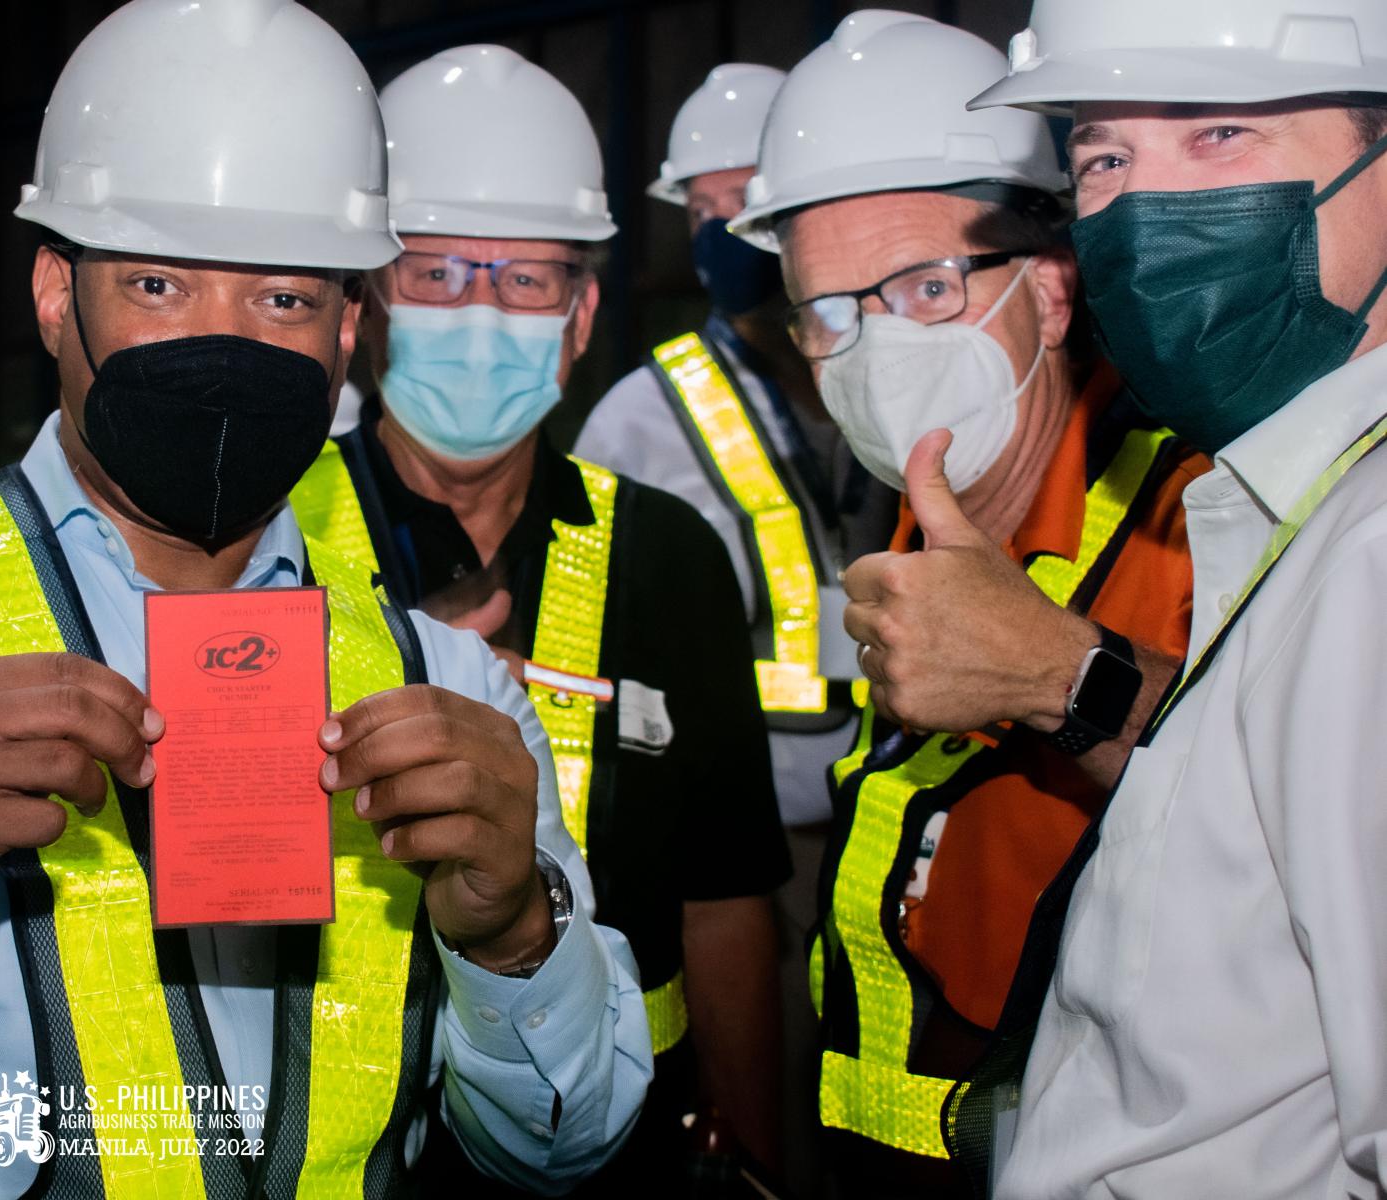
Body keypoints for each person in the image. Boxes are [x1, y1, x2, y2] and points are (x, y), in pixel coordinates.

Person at [0, 4, 649, 1197]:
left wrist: (515, 936)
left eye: (284, 300)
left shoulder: (444, 686)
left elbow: (562, 1149)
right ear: (52, 291)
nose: (222, 343)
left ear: (352, 328)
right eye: (157, 283)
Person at [288, 44, 791, 1193]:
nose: (482, 315)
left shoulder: (669, 558)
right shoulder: (277, 548)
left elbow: (726, 900)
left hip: (633, 1145)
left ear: (581, 312)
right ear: (364, 305)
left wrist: (758, 1157)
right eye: (438, 274)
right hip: (365, 1144)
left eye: (526, 280)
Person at [727, 11, 1207, 1196]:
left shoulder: (1202, 513)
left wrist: (1062, 676)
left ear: (1048, 295)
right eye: (831, 313)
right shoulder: (915, 520)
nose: (874, 349)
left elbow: (1300, 823)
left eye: (929, 287)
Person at [958, 1, 1387, 1195]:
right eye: (1104, 156)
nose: (1144, 215)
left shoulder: (1374, 559)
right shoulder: (1295, 508)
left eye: (1220, 135)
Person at [574, 70, 897, 1191]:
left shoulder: (894, 367)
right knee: (774, 1097)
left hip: (891, 803)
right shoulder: (641, 418)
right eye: (704, 211)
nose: (727, 233)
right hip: (742, 838)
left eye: (749, 202)